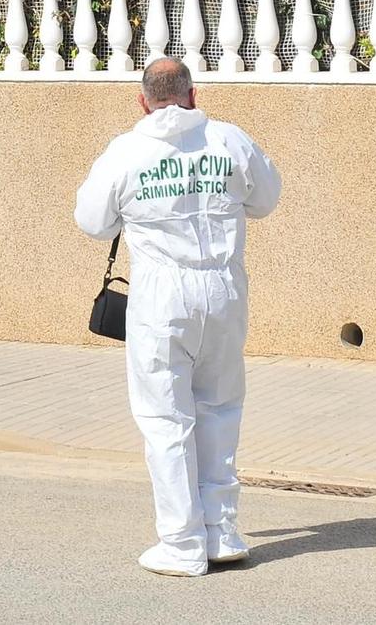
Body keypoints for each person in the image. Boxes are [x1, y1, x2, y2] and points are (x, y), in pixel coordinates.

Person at [74, 58, 282, 577]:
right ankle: (222, 532)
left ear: (142, 101)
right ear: (193, 93)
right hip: (224, 289)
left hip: (162, 296)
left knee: (167, 418)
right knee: (220, 409)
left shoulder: (127, 151)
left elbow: (92, 222)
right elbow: (267, 198)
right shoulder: (230, 140)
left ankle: (181, 542)